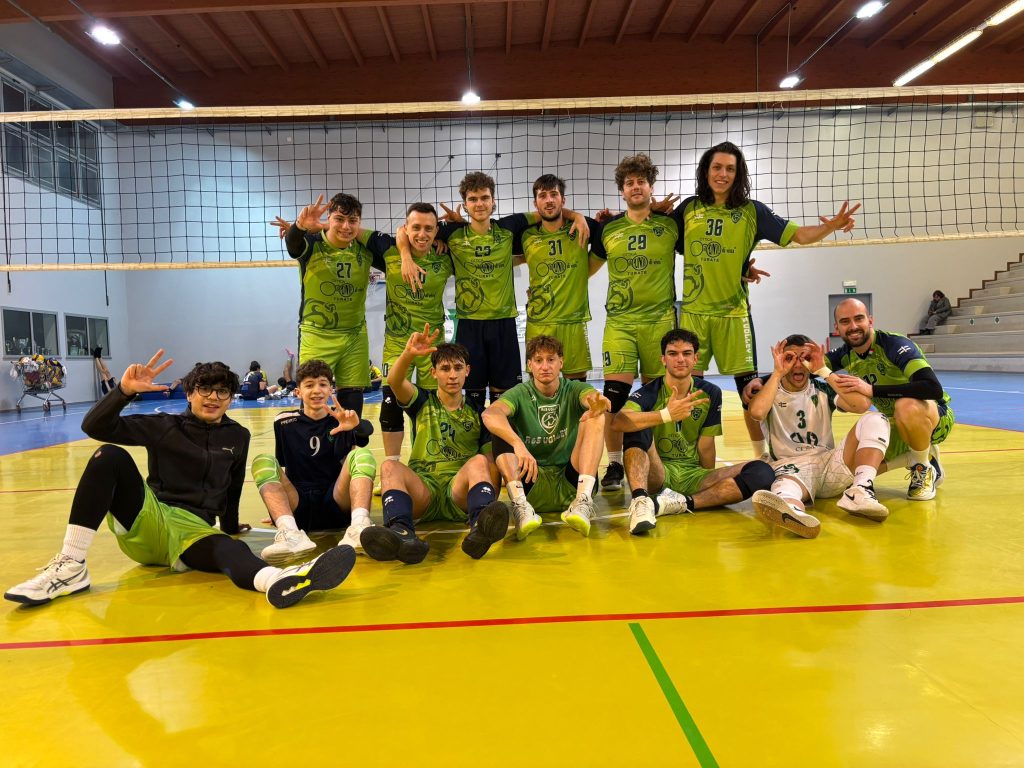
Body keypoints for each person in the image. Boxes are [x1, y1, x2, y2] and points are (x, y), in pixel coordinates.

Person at [4, 350, 355, 609]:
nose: (213, 397)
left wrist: (231, 526)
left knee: (230, 549)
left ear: (230, 399)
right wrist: (123, 391)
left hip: (195, 532)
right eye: (204, 389)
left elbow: (232, 488)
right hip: (151, 520)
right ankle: (71, 565)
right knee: (108, 456)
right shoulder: (164, 426)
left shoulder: (238, 436)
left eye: (222, 392)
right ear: (189, 393)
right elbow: (94, 426)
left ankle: (280, 580)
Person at [673, 141, 861, 458]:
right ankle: (688, 457)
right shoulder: (688, 209)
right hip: (693, 314)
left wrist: (830, 226)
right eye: (717, 167)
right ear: (706, 171)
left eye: (730, 169)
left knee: (749, 393)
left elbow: (799, 235)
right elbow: (664, 237)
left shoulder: (752, 212)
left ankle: (761, 455)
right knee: (688, 392)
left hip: (733, 315)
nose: (722, 174)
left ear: (738, 174)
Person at [361, 326, 509, 563]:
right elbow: (395, 381)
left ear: (467, 371)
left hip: (458, 492)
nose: (452, 375)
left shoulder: (478, 413)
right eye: (445, 369)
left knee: (479, 460)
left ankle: (480, 525)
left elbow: (490, 463)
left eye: (458, 368)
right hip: (424, 490)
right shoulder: (421, 401)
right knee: (389, 467)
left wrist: (490, 499)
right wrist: (408, 354)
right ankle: (401, 533)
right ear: (433, 373)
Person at [611, 329, 776, 535]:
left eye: (687, 353)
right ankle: (640, 501)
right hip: (658, 473)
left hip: (693, 475)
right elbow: (619, 422)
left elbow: (706, 446)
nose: (680, 359)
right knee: (635, 425)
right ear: (663, 359)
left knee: (762, 472)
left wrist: (709, 480)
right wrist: (666, 415)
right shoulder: (649, 392)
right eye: (673, 354)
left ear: (696, 358)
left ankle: (683, 502)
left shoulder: (710, 393)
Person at [399, 173, 536, 414]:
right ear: (465, 204)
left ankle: (502, 439)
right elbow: (404, 230)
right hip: (469, 325)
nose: (479, 203)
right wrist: (405, 257)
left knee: (506, 398)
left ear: (493, 201)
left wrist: (577, 217)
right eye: (473, 199)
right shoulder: (452, 232)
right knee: (472, 398)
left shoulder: (509, 227)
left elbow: (548, 213)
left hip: (503, 324)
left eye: (485, 198)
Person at [591, 153, 684, 492]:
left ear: (650, 186)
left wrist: (742, 269)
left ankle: (656, 460)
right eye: (629, 183)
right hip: (620, 323)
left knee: (656, 398)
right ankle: (615, 464)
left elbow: (703, 252)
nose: (635, 187)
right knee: (613, 399)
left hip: (660, 322)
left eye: (640, 181)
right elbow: (585, 268)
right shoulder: (608, 228)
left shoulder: (671, 225)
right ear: (622, 190)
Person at [746, 335, 896, 538]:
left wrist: (824, 370)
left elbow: (861, 405)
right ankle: (795, 513)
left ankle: (860, 490)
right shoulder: (770, 392)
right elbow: (756, 412)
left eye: (805, 358)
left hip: (829, 464)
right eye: (790, 358)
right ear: (781, 360)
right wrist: (777, 372)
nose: (798, 364)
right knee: (784, 489)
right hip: (791, 468)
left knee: (875, 418)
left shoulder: (823, 389)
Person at [483, 334, 611, 538]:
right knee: (500, 429)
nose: (545, 366)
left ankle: (583, 502)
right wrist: (518, 444)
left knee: (595, 416)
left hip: (572, 480)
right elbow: (489, 414)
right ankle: (520, 506)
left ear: (561, 362)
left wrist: (599, 403)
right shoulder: (519, 393)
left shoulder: (574, 388)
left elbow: (591, 398)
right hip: (532, 483)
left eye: (551, 360)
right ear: (529, 365)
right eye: (538, 360)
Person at [251, 359, 377, 563]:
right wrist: (279, 510)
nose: (317, 390)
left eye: (323, 384)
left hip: (335, 502)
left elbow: (366, 432)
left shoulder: (341, 420)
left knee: (361, 455)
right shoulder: (283, 421)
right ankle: (289, 531)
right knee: (263, 461)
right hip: (299, 505)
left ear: (331, 390)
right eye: (309, 385)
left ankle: (359, 528)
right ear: (298, 392)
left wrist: (355, 426)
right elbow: (283, 466)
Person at [826, 298, 952, 500]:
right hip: (893, 422)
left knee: (906, 405)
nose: (853, 326)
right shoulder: (845, 354)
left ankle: (922, 468)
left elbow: (932, 388)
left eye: (859, 319)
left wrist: (872, 390)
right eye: (845, 321)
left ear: (870, 320)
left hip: (933, 417)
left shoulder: (894, 344)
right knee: (849, 474)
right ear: (837, 328)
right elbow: (805, 368)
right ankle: (917, 457)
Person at [363, 203, 454, 464]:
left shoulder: (446, 256)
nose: (422, 234)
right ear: (404, 228)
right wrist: (310, 228)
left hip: (431, 344)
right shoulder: (389, 250)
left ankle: (426, 463)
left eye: (428, 229)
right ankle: (392, 466)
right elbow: (350, 230)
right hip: (397, 342)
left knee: (428, 407)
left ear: (436, 231)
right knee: (391, 402)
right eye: (415, 228)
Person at [285, 193, 385, 417]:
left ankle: (349, 440)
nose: (346, 226)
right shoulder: (313, 243)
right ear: (329, 218)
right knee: (313, 398)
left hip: (354, 335)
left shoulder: (364, 249)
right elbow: (292, 246)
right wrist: (299, 226)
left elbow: (392, 254)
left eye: (352, 221)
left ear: (359, 222)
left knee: (352, 404)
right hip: (317, 333)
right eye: (339, 219)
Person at [517, 174, 604, 381]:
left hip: (573, 320)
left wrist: (579, 216)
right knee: (541, 382)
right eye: (542, 196)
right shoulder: (526, 235)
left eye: (554, 194)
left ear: (563, 200)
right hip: (540, 321)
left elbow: (613, 227)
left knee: (576, 386)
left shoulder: (582, 228)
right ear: (535, 203)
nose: (549, 200)